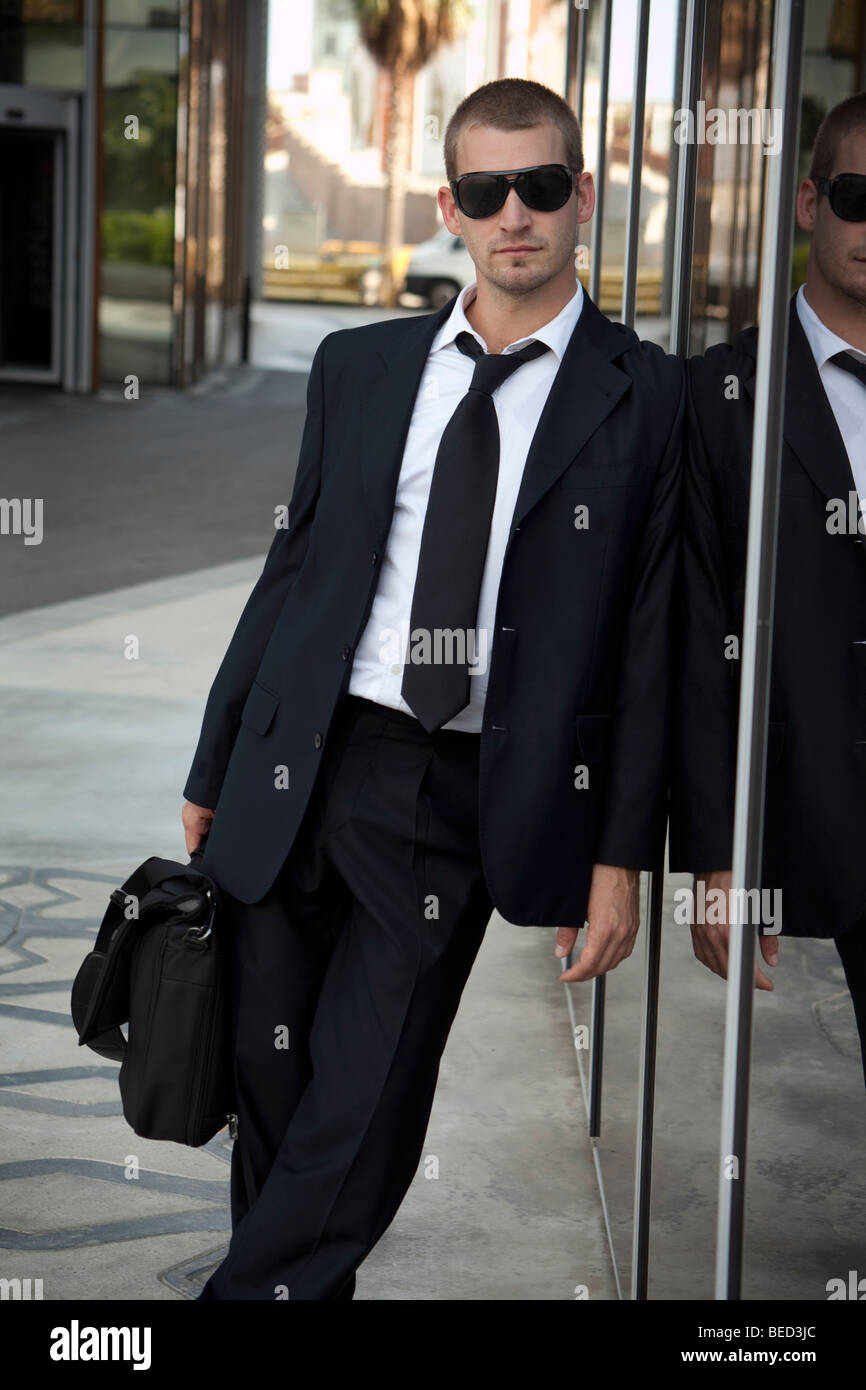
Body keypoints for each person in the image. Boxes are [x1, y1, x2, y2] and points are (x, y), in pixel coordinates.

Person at [181, 76, 684, 1299]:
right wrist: (212, 765)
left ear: (583, 198)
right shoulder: (358, 368)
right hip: (302, 759)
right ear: (448, 207)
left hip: (459, 796)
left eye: (542, 186)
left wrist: (619, 854)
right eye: (484, 190)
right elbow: (292, 568)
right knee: (273, 1081)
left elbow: (654, 641)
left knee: (363, 1100)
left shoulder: (650, 396)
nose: (515, 213)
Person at [670, 92, 866, 1085]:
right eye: (855, 195)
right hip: (805, 816)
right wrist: (715, 858)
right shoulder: (720, 396)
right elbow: (701, 638)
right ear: (806, 202)